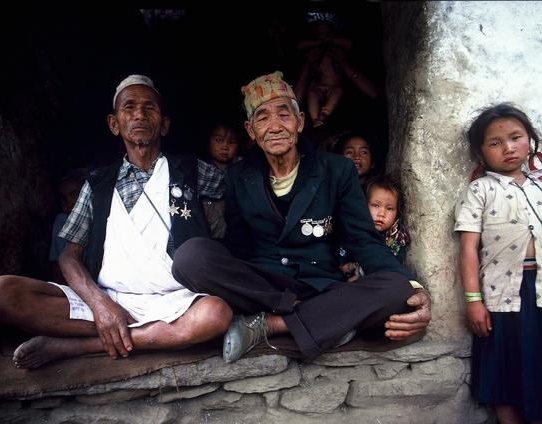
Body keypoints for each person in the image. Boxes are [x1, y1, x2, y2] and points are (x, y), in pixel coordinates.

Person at [172, 71, 431, 364]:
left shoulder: (337, 170)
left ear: (300, 122)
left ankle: (271, 324)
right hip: (265, 287)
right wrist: (229, 275)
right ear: (251, 130)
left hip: (320, 285)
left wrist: (414, 287)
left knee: (397, 291)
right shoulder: (237, 176)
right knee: (190, 258)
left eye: (284, 114)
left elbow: (362, 240)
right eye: (263, 118)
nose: (275, 126)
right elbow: (239, 244)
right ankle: (325, 321)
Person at [0, 75, 232, 369]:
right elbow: (69, 255)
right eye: (129, 107)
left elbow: (230, 210)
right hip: (108, 299)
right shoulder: (96, 183)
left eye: (149, 108)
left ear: (164, 124)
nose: (139, 114)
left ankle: (77, 347)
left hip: (178, 302)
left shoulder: (194, 170)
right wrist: (101, 305)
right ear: (114, 124)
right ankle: (135, 333)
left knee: (215, 315)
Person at [454, 103, 542, 423]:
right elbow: (468, 249)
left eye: (515, 137)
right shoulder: (480, 190)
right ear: (481, 153)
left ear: (529, 140)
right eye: (495, 143)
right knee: (504, 372)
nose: (508, 148)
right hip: (502, 296)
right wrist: (473, 301)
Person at [293, 17, 376, 128]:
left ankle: (323, 115)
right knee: (312, 94)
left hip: (334, 87)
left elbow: (348, 43)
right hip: (317, 86)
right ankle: (315, 120)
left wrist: (331, 41)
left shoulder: (337, 50)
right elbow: (299, 46)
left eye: (326, 33)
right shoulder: (314, 52)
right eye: (319, 33)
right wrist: (317, 43)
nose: (323, 36)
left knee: (337, 92)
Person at [340, 174, 411, 281]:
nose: (381, 213)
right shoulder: (352, 229)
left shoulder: (396, 238)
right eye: (376, 205)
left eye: (389, 208)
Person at [201, 121, 241, 239]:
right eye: (219, 140)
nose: (225, 146)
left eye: (231, 142)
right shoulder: (200, 169)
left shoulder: (242, 168)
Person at [49, 169, 87, 283]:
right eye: (64, 198)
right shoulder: (62, 221)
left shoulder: (103, 219)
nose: (69, 202)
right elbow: (56, 265)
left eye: (74, 195)